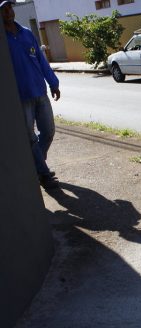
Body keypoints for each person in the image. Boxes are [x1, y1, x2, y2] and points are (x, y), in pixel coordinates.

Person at [2, 0, 60, 189]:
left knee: (49, 131)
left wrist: (53, 82)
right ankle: (44, 173)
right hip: (20, 98)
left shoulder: (26, 33)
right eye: (4, 9)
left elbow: (41, 61)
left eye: (10, 7)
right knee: (30, 138)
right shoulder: (2, 40)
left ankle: (36, 167)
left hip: (40, 92)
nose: (9, 12)